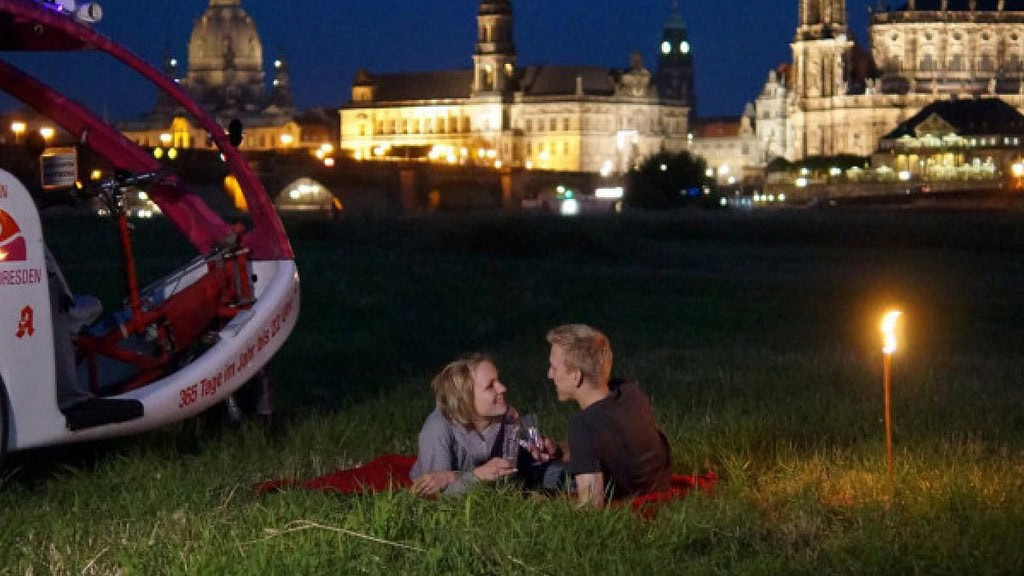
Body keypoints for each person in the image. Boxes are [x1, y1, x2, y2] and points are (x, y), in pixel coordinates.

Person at [531, 324, 671, 508]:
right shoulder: (629, 393)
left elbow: (591, 506)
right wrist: (559, 451)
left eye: (554, 367)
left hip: (630, 506)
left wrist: (545, 505)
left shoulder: (582, 425)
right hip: (659, 488)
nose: (550, 374)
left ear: (576, 376)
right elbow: (603, 446)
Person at [410, 353, 564, 496]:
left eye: (498, 381)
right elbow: (436, 492)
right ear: (466, 399)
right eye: (490, 386)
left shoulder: (504, 416)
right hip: (465, 492)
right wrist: (479, 475)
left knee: (562, 474)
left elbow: (508, 473)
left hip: (494, 482)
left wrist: (528, 445)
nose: (503, 388)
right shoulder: (438, 429)